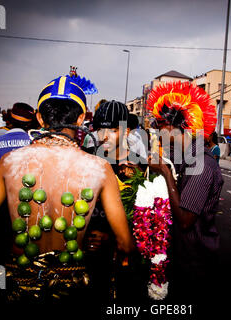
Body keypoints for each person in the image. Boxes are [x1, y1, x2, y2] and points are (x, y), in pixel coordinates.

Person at [0, 74, 134, 302]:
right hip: (72, 288)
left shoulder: (9, 162)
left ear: (39, 118)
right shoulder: (100, 168)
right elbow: (125, 242)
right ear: (81, 119)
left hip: (18, 287)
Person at [146, 81, 224, 302]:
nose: (156, 131)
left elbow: (185, 220)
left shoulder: (201, 163)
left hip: (195, 261)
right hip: (183, 256)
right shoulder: (186, 157)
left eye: (158, 125)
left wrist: (165, 173)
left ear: (171, 127)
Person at [87, 100, 147, 302]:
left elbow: (141, 215)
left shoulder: (139, 164)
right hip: (88, 252)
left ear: (127, 130)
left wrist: (111, 237)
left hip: (123, 253)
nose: (104, 137)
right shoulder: (86, 159)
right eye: (100, 130)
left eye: (112, 130)